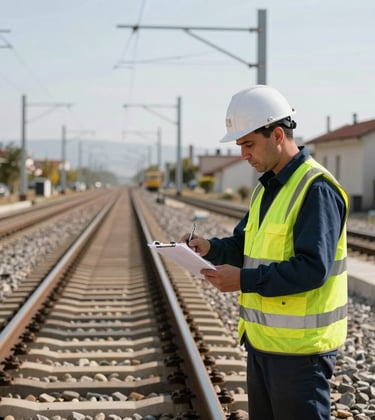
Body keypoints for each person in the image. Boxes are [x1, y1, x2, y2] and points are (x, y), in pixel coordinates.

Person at [181, 85, 349, 420]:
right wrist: (211, 248)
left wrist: (243, 280)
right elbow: (246, 245)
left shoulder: (315, 188)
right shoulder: (268, 188)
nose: (243, 154)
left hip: (301, 355)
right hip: (263, 346)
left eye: (248, 144)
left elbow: (311, 269)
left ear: (276, 134)